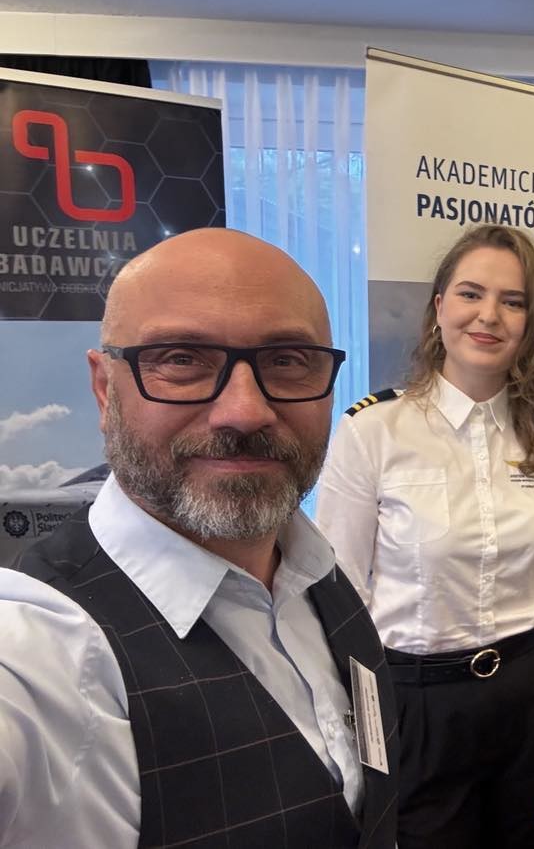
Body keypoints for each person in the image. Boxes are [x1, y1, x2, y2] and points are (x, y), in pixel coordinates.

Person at [0, 228, 398, 848]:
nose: (245, 411)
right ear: (105, 390)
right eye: (182, 359)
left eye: (287, 361)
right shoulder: (41, 651)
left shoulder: (318, 570)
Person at [316, 224, 534, 848]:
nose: (489, 315)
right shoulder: (373, 432)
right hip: (417, 709)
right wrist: (359, 747)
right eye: (471, 293)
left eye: (513, 301)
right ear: (438, 307)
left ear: (532, 323)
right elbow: (339, 603)